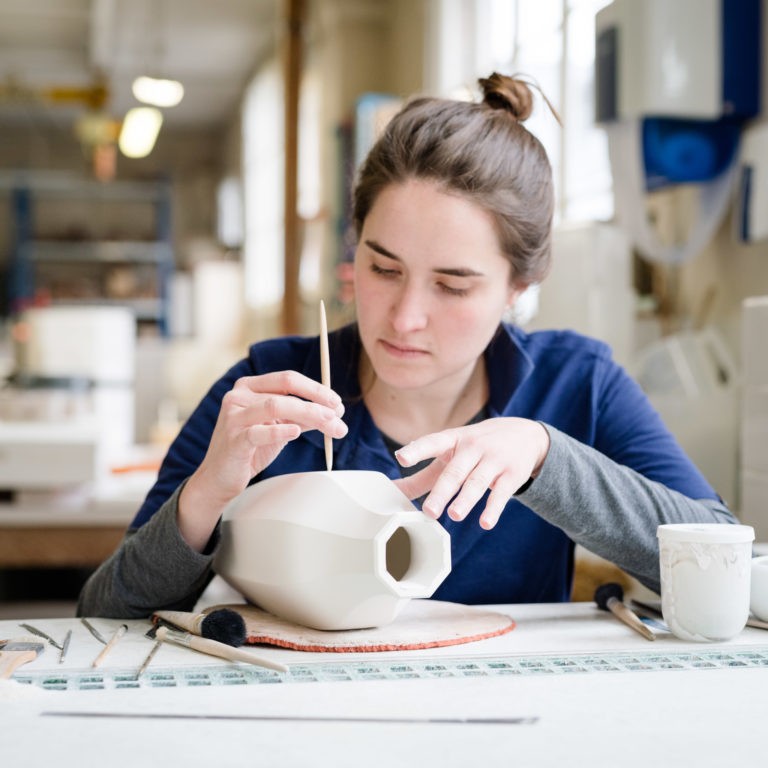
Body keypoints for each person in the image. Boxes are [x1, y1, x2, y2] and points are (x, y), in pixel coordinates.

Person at [78, 73, 737, 618]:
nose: (405, 317)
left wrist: (544, 457)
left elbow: (730, 565)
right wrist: (205, 496)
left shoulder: (576, 385)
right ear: (354, 245)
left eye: (453, 285)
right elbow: (103, 616)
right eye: (383, 269)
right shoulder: (271, 388)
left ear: (519, 286)